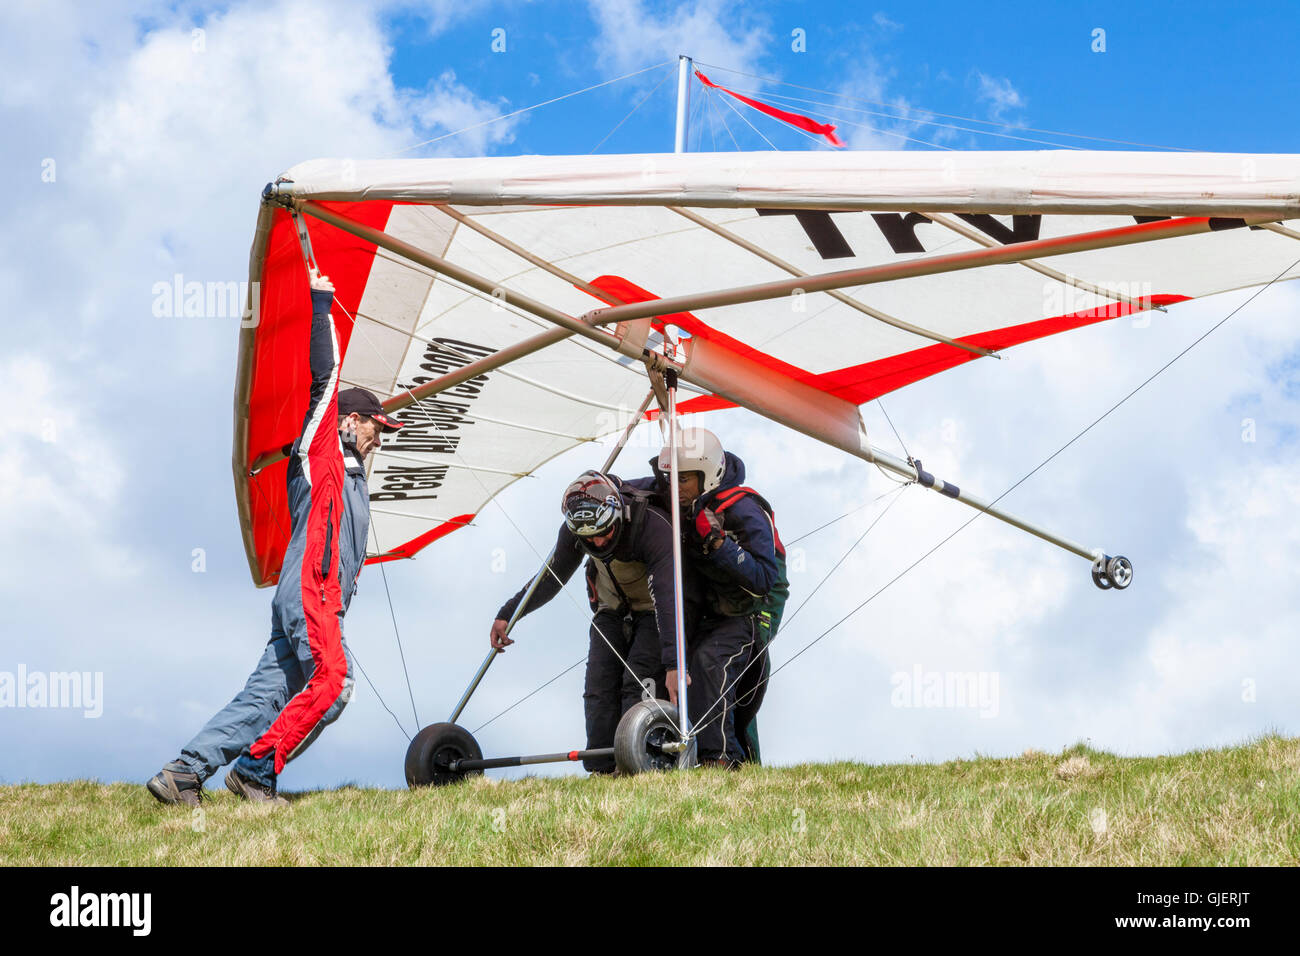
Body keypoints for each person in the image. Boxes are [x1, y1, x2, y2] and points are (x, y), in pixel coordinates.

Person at [147, 270, 405, 806]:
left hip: (308, 597)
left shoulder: (353, 478)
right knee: (333, 681)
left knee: (267, 695)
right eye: (377, 427)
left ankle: (183, 773)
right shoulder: (322, 454)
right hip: (311, 593)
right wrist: (321, 301)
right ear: (351, 421)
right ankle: (256, 772)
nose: (381, 437)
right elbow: (325, 377)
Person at [490, 470, 688, 774]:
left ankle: (638, 765)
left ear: (616, 515)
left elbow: (667, 594)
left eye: (603, 531)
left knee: (637, 681)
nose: (596, 540)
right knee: (598, 687)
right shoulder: (576, 530)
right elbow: (552, 576)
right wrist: (508, 613)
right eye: (588, 536)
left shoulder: (652, 527)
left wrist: (674, 664)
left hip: (655, 609)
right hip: (611, 607)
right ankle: (601, 769)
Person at [653, 427, 788, 767]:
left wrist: (718, 544)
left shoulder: (743, 507)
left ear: (708, 476)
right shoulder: (681, 500)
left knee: (713, 662)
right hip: (714, 604)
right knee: (678, 665)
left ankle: (721, 759)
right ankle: (672, 754)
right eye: (671, 479)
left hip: (756, 604)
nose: (676, 488)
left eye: (685, 480)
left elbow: (763, 579)